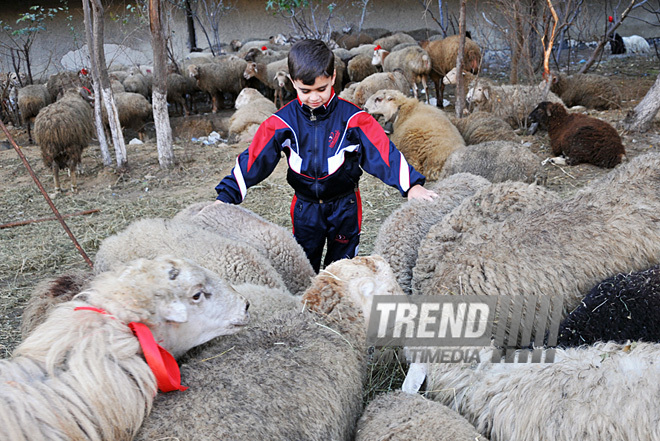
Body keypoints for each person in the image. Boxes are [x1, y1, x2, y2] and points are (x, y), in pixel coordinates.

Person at [214, 39, 437, 272]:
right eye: (305, 91)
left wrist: (412, 185)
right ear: (292, 83)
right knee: (302, 270)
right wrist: (226, 196)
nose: (313, 97)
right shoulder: (281, 122)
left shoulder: (353, 119)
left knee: (342, 271)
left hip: (345, 207)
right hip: (305, 209)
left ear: (332, 77)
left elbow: (383, 153)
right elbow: (255, 158)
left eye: (321, 89)